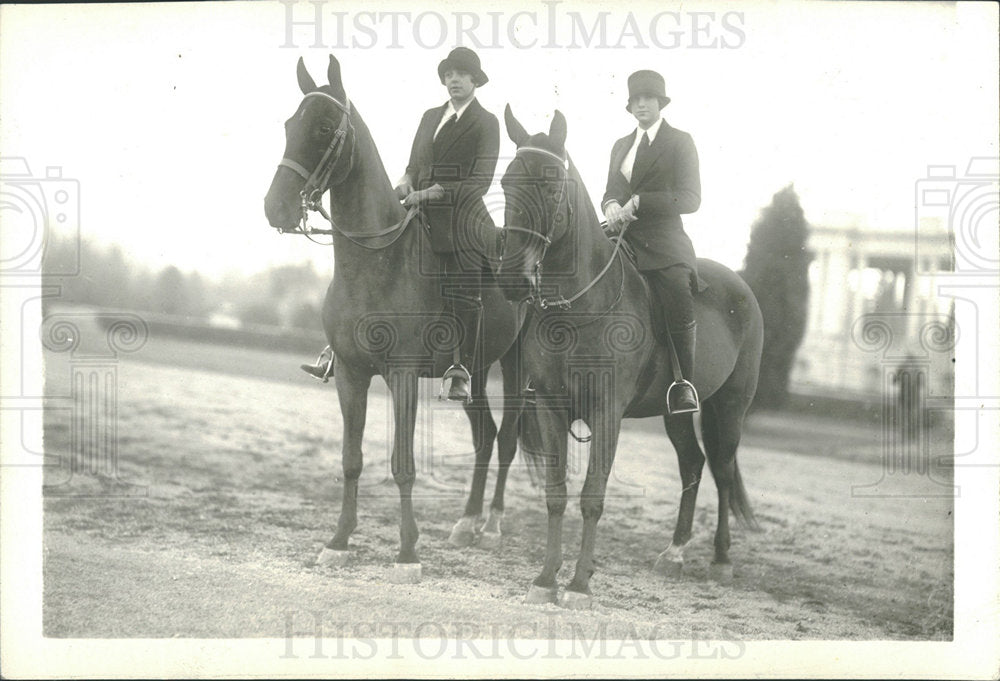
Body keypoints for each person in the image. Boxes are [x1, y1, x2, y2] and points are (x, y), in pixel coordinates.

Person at [301, 47, 499, 404]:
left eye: (461, 74)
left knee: (464, 276)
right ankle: (340, 347)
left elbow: (481, 181)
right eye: (448, 74)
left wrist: (433, 192)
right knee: (367, 257)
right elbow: (413, 164)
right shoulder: (429, 117)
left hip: (461, 214)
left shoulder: (486, 122)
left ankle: (461, 368)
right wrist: (407, 181)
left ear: (475, 80)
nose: (453, 79)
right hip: (415, 205)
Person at [601, 69, 702, 414]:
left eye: (648, 98)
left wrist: (642, 201)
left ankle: (682, 382)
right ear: (630, 106)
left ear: (660, 103)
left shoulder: (680, 141)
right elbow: (612, 190)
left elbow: (691, 198)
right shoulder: (620, 145)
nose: (641, 104)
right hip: (620, 233)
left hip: (663, 237)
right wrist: (611, 203)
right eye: (635, 100)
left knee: (675, 287)